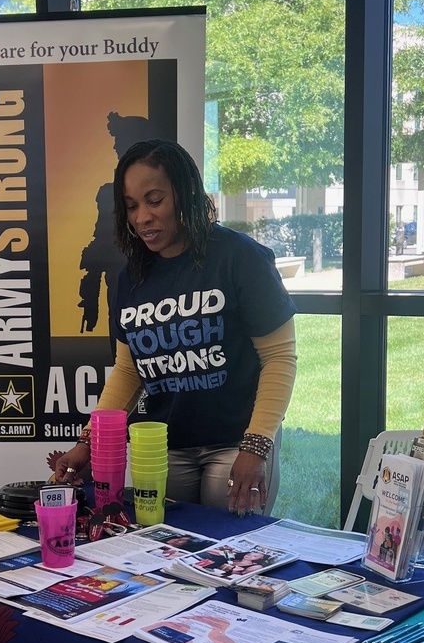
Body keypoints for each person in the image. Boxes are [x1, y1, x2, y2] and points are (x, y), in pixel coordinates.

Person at [52, 139, 297, 515]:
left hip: (235, 442)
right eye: (132, 206)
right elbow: (128, 370)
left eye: (155, 200)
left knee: (229, 560)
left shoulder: (239, 257)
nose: (142, 217)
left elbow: (279, 358)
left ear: (184, 195)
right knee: (168, 554)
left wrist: (256, 446)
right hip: (165, 447)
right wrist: (89, 441)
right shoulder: (129, 279)